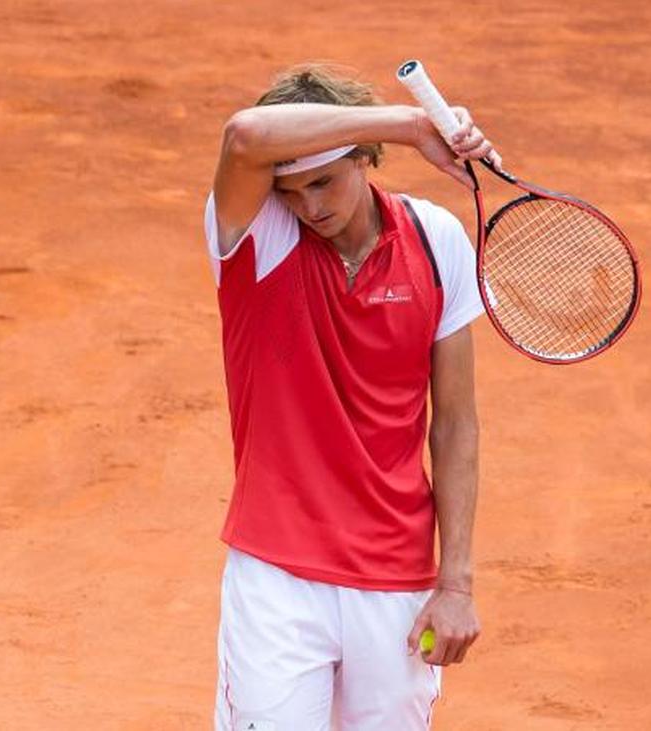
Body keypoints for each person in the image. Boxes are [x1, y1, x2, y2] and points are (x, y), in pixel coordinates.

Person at [204, 64, 498, 730]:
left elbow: (455, 424)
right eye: (291, 188)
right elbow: (245, 133)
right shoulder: (259, 238)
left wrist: (455, 583)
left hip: (395, 582)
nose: (309, 206)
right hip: (277, 580)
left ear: (365, 160)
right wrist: (408, 123)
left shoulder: (435, 239)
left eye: (323, 181)